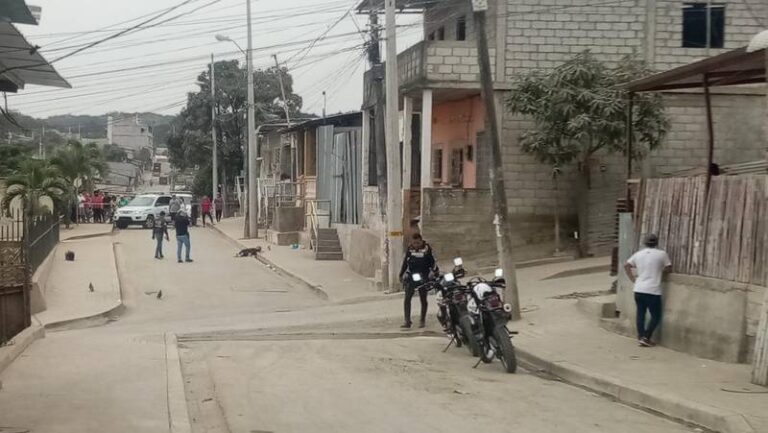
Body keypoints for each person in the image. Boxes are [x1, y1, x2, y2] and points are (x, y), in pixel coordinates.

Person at [624, 233, 672, 347]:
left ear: (645, 243)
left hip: (639, 289)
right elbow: (669, 268)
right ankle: (646, 337)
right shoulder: (662, 254)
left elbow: (626, 265)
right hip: (653, 290)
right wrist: (660, 271)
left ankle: (641, 337)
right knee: (656, 316)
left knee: (640, 314)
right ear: (656, 243)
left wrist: (632, 278)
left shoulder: (638, 254)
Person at [398, 232, 437, 329]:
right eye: (414, 243)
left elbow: (433, 263)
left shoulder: (427, 249)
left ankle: (422, 320)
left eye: (418, 243)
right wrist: (401, 274)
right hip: (412, 275)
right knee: (407, 298)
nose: (416, 245)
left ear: (421, 241)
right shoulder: (410, 249)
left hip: (423, 275)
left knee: (423, 298)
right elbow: (405, 263)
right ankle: (407, 321)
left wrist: (433, 272)